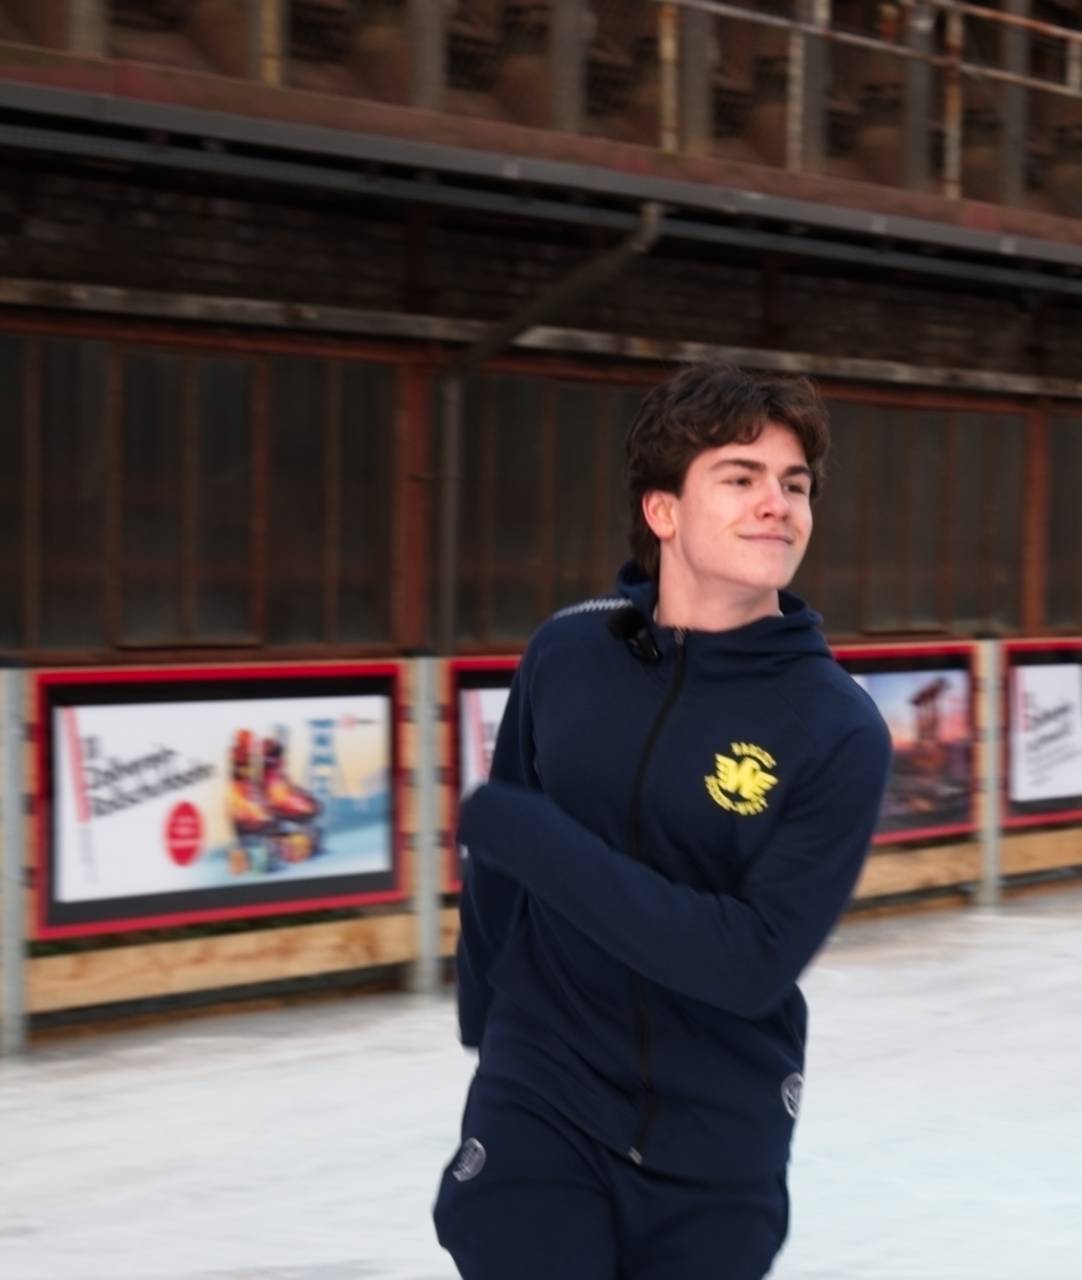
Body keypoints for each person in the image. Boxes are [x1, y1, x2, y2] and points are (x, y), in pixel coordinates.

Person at [438, 363, 894, 1280]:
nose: (778, 503)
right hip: (543, 1100)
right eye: (741, 476)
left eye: (794, 484)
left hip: (717, 1140)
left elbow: (747, 960)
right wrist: (489, 1014)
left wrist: (537, 841)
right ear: (664, 512)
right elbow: (499, 867)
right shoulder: (566, 652)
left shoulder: (836, 727)